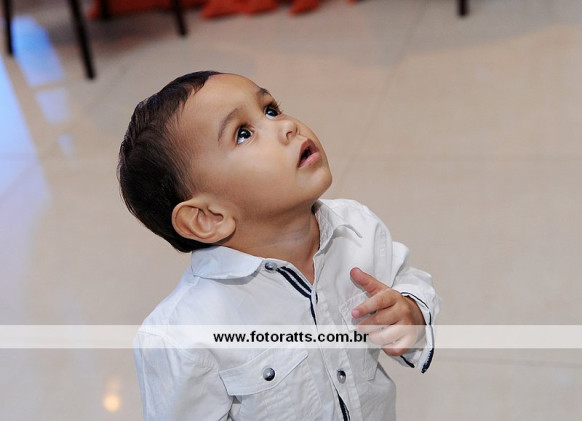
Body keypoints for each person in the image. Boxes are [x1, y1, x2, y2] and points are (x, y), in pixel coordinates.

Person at [118, 71, 441, 421]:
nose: (287, 126)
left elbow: (407, 280)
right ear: (208, 217)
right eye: (243, 134)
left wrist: (410, 311)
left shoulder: (355, 227)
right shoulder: (185, 336)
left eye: (270, 109)